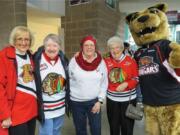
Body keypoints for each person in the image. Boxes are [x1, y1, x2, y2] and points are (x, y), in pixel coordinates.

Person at [0, 26, 37, 135]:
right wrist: (5, 115)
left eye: (26, 39)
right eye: (19, 39)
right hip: (16, 112)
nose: (23, 42)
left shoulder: (31, 56)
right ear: (14, 40)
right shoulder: (3, 57)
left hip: (31, 110)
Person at [69, 35, 108, 135]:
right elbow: (68, 79)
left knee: (96, 129)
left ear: (95, 47)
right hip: (76, 102)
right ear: (82, 47)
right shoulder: (74, 60)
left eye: (91, 45)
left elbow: (104, 82)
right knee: (80, 129)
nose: (89, 47)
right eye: (86, 45)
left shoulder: (101, 62)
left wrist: (100, 101)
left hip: (94, 102)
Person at [33, 34, 69, 135]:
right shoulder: (37, 59)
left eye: (55, 45)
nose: (51, 48)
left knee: (56, 131)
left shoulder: (64, 60)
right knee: (46, 133)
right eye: (48, 45)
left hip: (60, 106)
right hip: (45, 107)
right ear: (44, 47)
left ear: (59, 47)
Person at [104, 36, 138, 135]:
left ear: (122, 48)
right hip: (112, 100)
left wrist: (127, 84)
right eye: (112, 48)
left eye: (117, 47)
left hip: (128, 101)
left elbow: (137, 78)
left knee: (127, 128)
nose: (115, 50)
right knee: (113, 127)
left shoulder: (130, 61)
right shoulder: (106, 62)